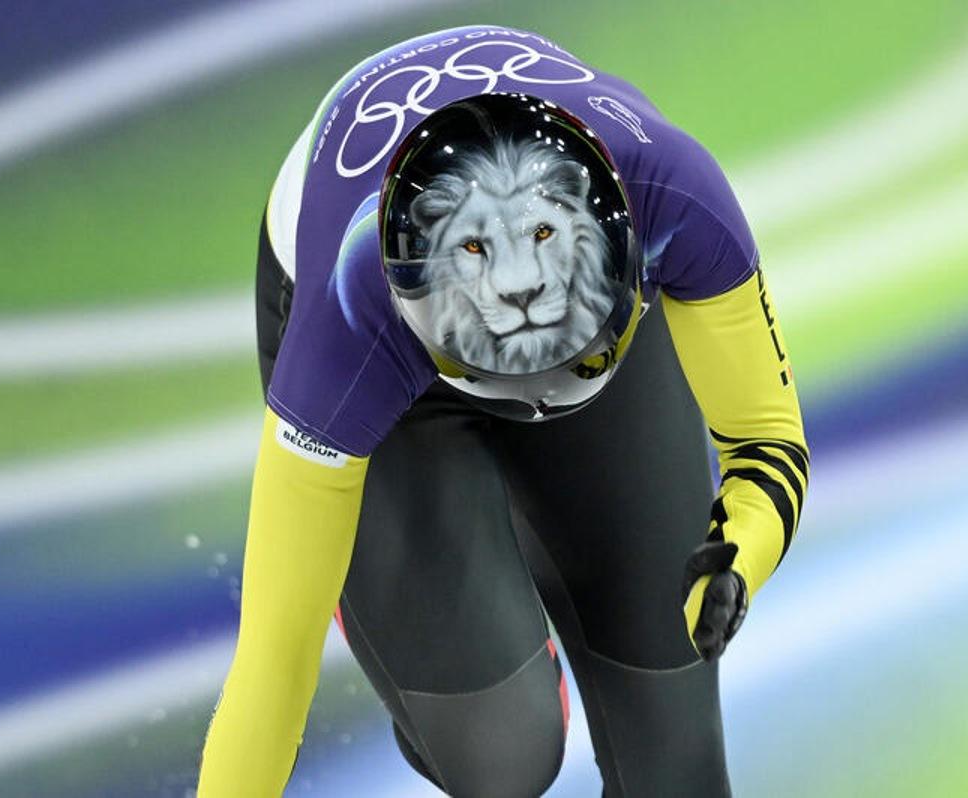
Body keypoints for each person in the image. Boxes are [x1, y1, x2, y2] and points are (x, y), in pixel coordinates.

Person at [198, 24, 808, 798]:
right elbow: (273, 665)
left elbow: (767, 439)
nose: (541, 396)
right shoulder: (351, 319)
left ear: (621, 255)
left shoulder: (671, 189)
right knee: (506, 755)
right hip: (394, 374)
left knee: (677, 756)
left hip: (531, 287)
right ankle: (439, 610)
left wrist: (740, 553)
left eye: (575, 359)